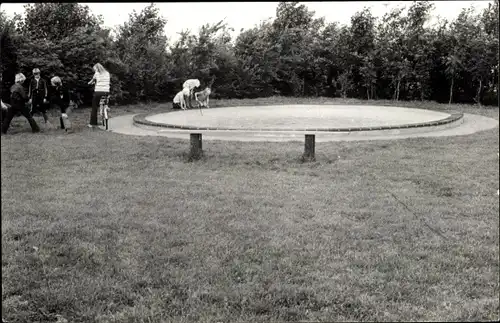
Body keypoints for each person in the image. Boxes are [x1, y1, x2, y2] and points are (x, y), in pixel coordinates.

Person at [87, 63, 110, 128]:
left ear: (97, 68)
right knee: (105, 100)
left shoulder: (96, 74)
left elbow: (92, 81)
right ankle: (106, 107)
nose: (95, 70)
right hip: (106, 92)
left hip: (98, 92)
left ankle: (92, 123)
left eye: (95, 69)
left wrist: (89, 83)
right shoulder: (107, 73)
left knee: (94, 106)